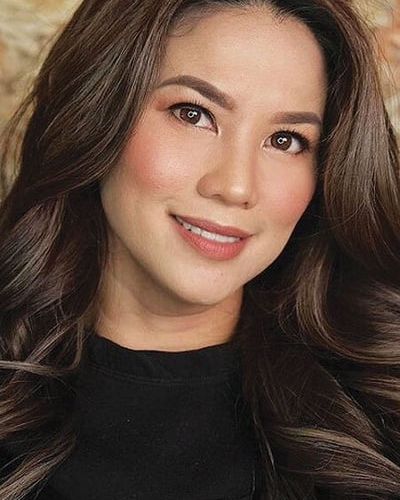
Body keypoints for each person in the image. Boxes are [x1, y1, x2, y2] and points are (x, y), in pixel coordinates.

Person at [0, 0, 399, 498]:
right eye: (194, 114)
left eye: (285, 140)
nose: (235, 186)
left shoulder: (380, 419)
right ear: (97, 113)